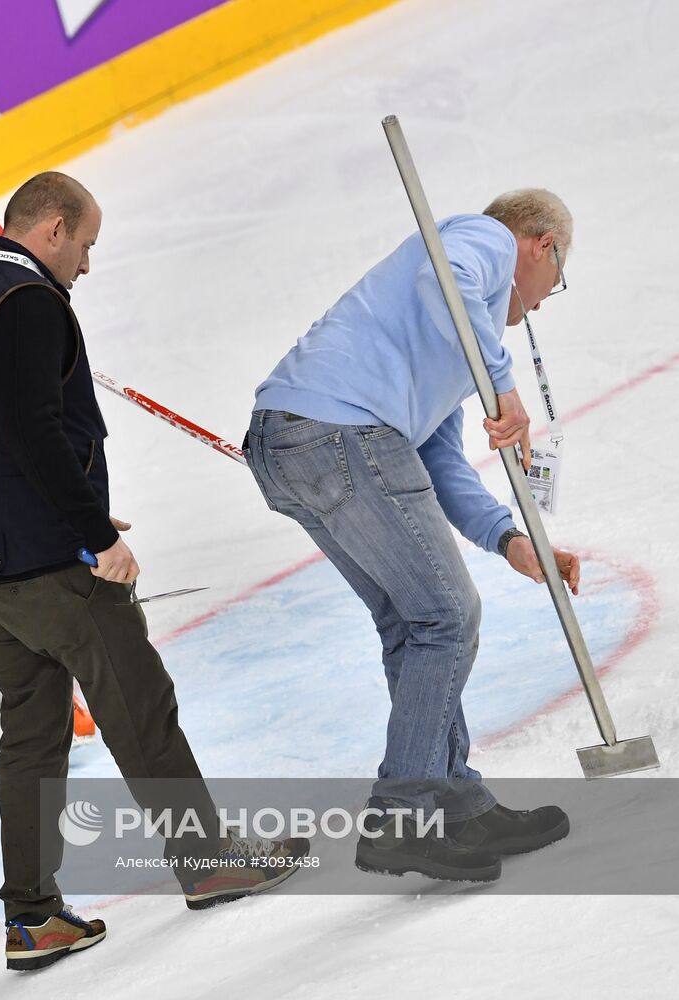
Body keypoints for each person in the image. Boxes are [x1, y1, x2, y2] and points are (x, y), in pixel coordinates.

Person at [0, 172, 309, 971]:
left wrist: (68, 507)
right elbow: (31, 427)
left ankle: (31, 917)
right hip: (36, 559)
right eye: (86, 245)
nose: (86, 265)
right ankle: (208, 861)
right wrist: (91, 532)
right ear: (52, 228)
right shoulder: (23, 302)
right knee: (139, 702)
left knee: (32, 732)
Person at [245, 189, 577, 883]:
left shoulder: (453, 341)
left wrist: (507, 538)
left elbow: (437, 456)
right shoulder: (484, 241)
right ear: (540, 244)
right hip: (337, 432)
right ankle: (403, 816)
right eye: (557, 275)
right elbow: (442, 277)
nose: (545, 301)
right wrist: (502, 381)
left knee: (412, 622)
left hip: (296, 442)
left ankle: (453, 803)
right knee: (447, 616)